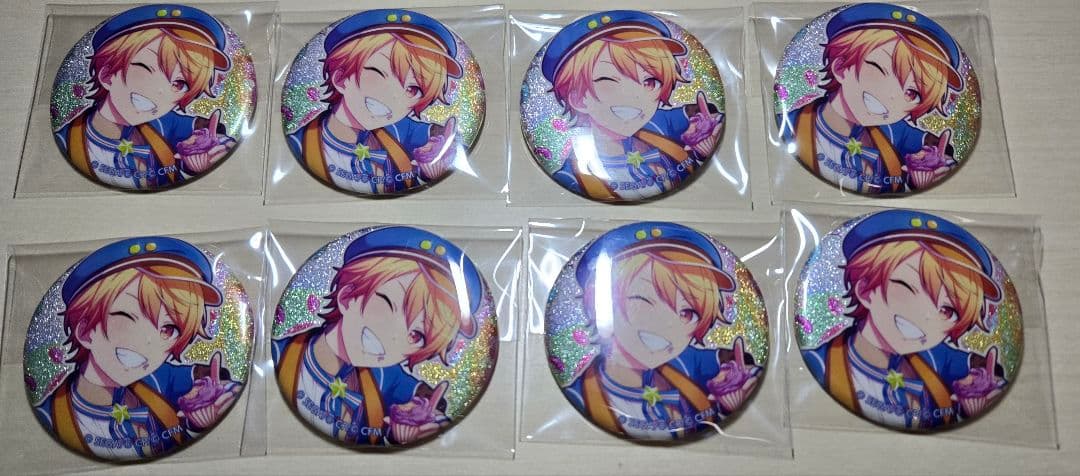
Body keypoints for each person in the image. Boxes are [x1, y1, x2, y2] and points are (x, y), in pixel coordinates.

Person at [273, 227, 483, 445]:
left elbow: (423, 400)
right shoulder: (282, 355)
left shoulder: (384, 376)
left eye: (416, 335)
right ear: (347, 297)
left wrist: (419, 420)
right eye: (390, 308)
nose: (395, 340)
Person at [34, 237, 239, 460]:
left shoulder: (157, 381)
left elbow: (208, 380)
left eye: (168, 329)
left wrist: (203, 411)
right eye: (128, 317)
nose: (150, 342)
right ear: (85, 332)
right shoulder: (53, 416)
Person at [803, 210, 1007, 429]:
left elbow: (979, 367)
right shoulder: (820, 363)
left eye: (948, 310)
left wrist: (980, 389)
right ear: (865, 291)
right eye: (911, 289)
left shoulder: (933, 357)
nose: (928, 316)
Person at [562, 222, 759, 439]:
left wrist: (730, 392)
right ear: (595, 303)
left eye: (688, 313)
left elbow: (733, 364)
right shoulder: (581, 397)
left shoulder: (683, 365)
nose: (669, 324)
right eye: (643, 299)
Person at [779, 3, 964, 193]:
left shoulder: (893, 132)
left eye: (912, 93)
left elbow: (934, 149)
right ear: (841, 68)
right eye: (882, 71)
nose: (893, 97)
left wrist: (929, 171)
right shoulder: (790, 125)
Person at [540, 11, 724, 201]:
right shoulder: (573, 177)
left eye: (650, 81)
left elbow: (698, 116)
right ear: (578, 98)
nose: (637, 96)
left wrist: (701, 138)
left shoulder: (657, 126)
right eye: (609, 80)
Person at [55, 5, 236, 189]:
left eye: (179, 84)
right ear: (107, 75)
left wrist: (209, 150)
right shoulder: (67, 141)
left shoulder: (162, 124)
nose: (162, 91)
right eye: (147, 69)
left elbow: (207, 132)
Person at [287, 10, 461, 194]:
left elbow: (438, 136)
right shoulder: (300, 145)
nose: (395, 97)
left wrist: (434, 157)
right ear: (341, 79)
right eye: (380, 74)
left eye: (413, 89)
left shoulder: (396, 130)